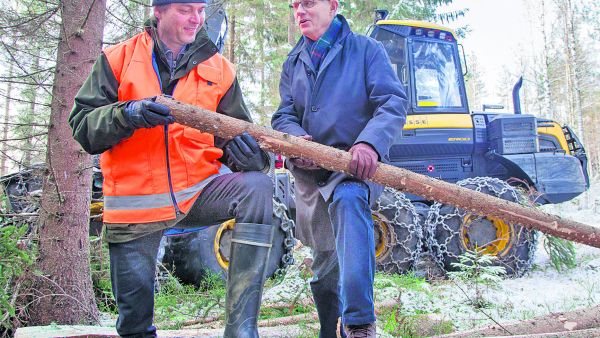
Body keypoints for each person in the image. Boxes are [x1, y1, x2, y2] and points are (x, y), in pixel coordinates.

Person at [69, 1, 274, 337]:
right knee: (134, 326)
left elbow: (237, 137)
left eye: (200, 9)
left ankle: (242, 330)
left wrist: (251, 159)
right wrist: (128, 114)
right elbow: (83, 127)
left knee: (258, 187)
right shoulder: (117, 60)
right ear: (159, 11)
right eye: (184, 9)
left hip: (197, 192)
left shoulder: (220, 70)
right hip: (136, 206)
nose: (196, 18)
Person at [272, 1, 407, 337]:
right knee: (325, 263)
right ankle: (328, 330)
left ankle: (360, 324)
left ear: (332, 6)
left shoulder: (366, 50)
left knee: (348, 200)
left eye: (308, 3)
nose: (299, 11)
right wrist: (296, 140)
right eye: (294, 5)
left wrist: (369, 144)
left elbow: (391, 103)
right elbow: (283, 115)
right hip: (311, 173)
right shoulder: (294, 61)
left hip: (355, 167)